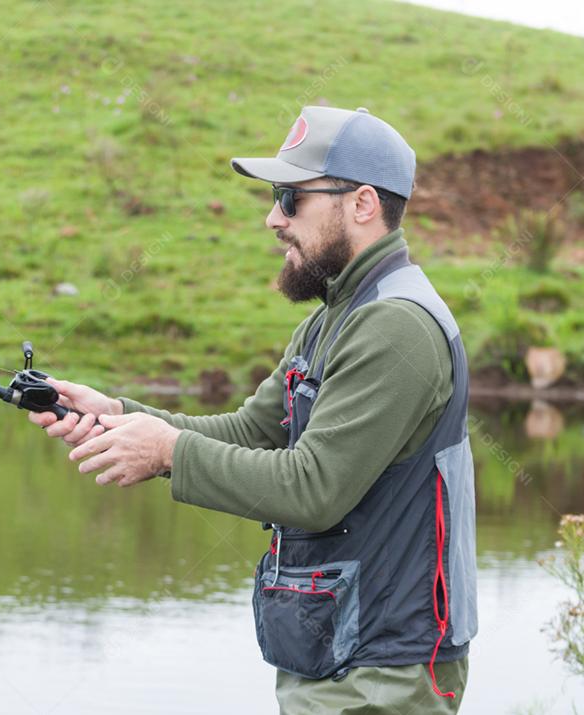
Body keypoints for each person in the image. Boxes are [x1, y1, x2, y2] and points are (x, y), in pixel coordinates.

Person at [29, 106, 477, 713]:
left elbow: (313, 488)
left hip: (384, 669)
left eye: (290, 197)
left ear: (363, 204)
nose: (273, 218)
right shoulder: (334, 318)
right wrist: (117, 412)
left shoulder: (394, 327)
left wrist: (164, 451)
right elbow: (252, 432)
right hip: (343, 656)